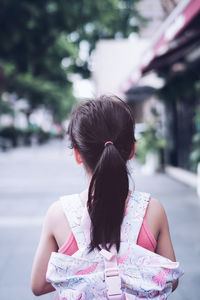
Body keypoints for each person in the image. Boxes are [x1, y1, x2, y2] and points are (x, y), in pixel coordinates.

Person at [31, 95, 179, 297]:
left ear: (77, 154)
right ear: (132, 150)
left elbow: (38, 285)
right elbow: (170, 278)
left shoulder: (59, 214)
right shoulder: (153, 210)